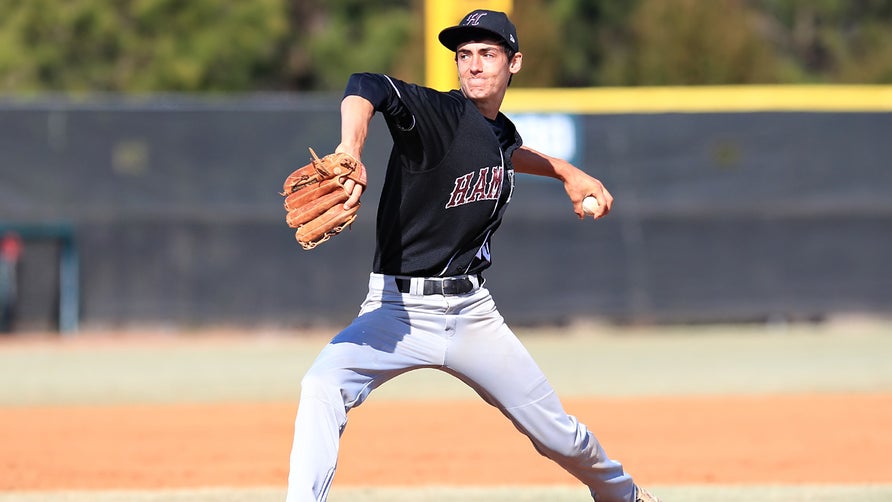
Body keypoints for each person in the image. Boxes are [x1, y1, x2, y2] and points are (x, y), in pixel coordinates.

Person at [285, 9, 661, 502]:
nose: (474, 65)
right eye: (464, 55)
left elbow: (506, 151)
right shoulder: (436, 115)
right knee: (321, 387)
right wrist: (350, 147)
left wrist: (568, 172)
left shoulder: (500, 132)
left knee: (558, 435)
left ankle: (624, 495)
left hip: (470, 315)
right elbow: (365, 84)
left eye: (488, 53)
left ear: (514, 63)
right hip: (394, 311)